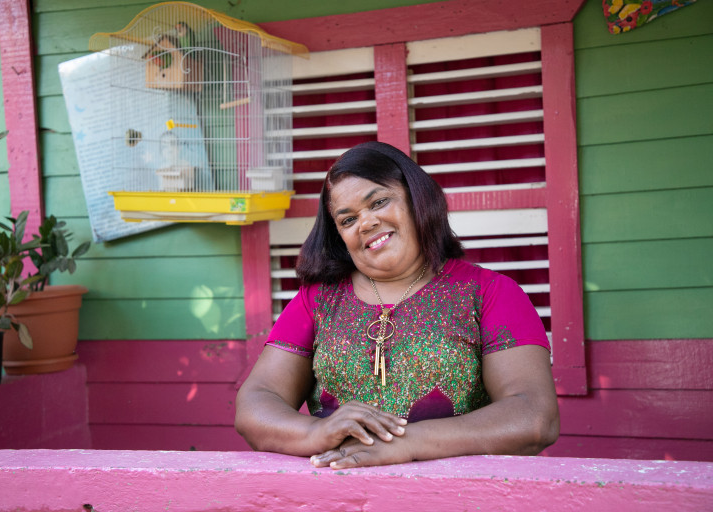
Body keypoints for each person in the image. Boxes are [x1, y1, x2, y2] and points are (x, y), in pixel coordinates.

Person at [235, 141, 559, 469]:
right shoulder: (317, 300)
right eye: (347, 220)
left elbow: (534, 416)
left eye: (379, 202)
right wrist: (315, 431)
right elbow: (255, 404)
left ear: (417, 199)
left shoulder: (490, 293)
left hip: (457, 491)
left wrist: (407, 443)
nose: (366, 223)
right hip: (337, 489)